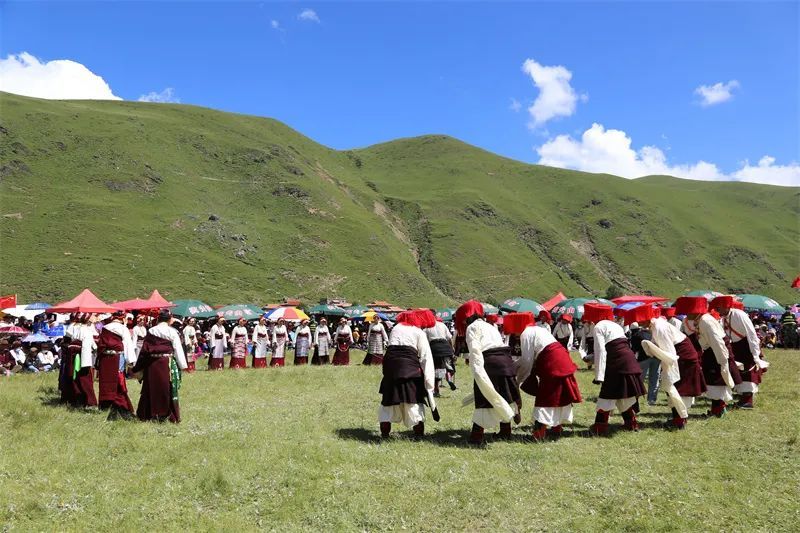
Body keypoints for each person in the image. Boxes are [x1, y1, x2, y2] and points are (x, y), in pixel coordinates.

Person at [631, 304, 705, 430]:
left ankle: (679, 420)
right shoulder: (655, 325)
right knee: (674, 388)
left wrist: (669, 372)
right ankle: (679, 418)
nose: (638, 322)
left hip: (680, 357)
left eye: (640, 319)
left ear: (646, 318)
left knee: (676, 387)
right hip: (678, 355)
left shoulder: (659, 328)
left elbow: (669, 352)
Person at [457, 300, 520, 444]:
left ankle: (477, 435)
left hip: (490, 362)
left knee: (485, 396)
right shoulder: (491, 326)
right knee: (504, 395)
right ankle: (505, 431)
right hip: (505, 361)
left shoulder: (472, 327)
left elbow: (475, 349)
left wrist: (477, 370)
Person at [513, 312, 582, 441]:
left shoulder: (526, 333)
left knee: (546, 397)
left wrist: (517, 380)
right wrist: (515, 368)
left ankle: (538, 434)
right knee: (559, 396)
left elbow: (527, 361)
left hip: (552, 361)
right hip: (561, 357)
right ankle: (557, 428)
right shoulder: (537, 329)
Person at [583, 303, 646, 436]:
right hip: (628, 360)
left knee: (607, 395)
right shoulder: (615, 325)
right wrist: (591, 357)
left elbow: (601, 350)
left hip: (616, 363)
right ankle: (631, 423)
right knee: (623, 394)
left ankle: (600, 427)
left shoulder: (599, 326)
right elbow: (612, 346)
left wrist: (599, 375)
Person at [675, 296, 741, 417]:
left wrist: (722, 361)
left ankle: (718, 409)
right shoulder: (700, 320)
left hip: (716, 350)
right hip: (711, 350)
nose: (686, 315)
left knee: (717, 379)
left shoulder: (705, 321)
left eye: (688, 312)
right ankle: (717, 408)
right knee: (713, 380)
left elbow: (717, 341)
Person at [378, 310, 435, 438]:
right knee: (413, 400)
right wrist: (430, 383)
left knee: (389, 400)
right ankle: (418, 434)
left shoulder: (396, 328)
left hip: (391, 367)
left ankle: (385, 433)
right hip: (410, 368)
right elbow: (426, 357)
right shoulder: (418, 331)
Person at [711, 295, 768, 409]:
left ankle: (748, 401)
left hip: (746, 345)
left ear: (726, 306)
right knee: (739, 371)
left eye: (719, 308)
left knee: (748, 371)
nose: (717, 310)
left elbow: (751, 333)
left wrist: (755, 353)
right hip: (736, 346)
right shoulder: (724, 318)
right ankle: (743, 398)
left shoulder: (739, 314)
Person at [132, 309, 187, 423]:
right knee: (166, 387)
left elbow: (144, 350)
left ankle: (148, 413)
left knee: (151, 387)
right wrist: (182, 365)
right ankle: (165, 413)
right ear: (169, 319)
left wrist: (138, 367)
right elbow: (177, 348)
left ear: (158, 318)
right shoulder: (172, 332)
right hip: (166, 362)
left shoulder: (151, 331)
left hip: (152, 364)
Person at [96, 311, 136, 420]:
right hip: (117, 357)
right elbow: (127, 344)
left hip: (105, 358)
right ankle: (119, 402)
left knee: (106, 381)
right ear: (122, 318)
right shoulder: (123, 329)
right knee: (118, 380)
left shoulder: (105, 328)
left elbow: (100, 344)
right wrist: (131, 361)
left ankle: (105, 403)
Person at [424, 314, 455, 396]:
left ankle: (436, 390)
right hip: (445, 346)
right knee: (447, 365)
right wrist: (452, 348)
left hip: (434, 348)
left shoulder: (427, 327)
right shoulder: (442, 325)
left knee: (435, 369)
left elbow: (425, 341)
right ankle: (448, 376)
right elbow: (449, 338)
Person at [629, 321, 659, 405]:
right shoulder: (654, 333)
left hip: (643, 358)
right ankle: (652, 399)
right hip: (656, 357)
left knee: (639, 379)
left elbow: (634, 349)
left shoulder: (637, 335)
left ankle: (635, 397)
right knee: (654, 378)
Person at [73, 314, 99, 408]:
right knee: (86, 380)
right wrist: (86, 362)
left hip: (77, 357)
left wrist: (96, 348)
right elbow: (86, 346)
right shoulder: (86, 331)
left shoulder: (78, 329)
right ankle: (90, 401)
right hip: (84, 358)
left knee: (78, 379)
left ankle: (79, 400)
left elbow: (92, 343)